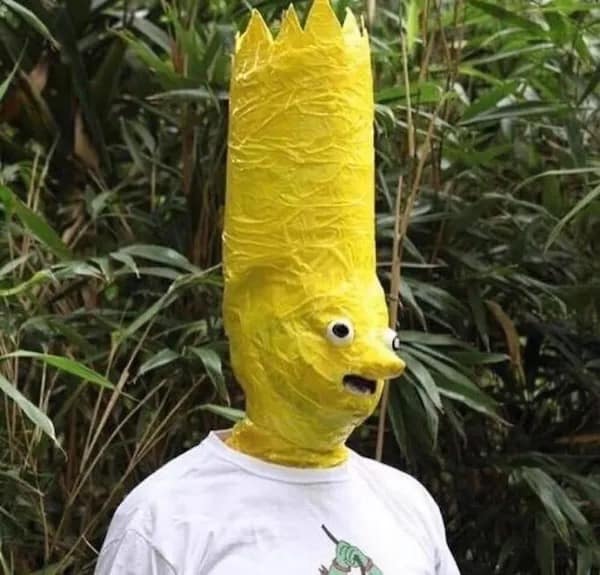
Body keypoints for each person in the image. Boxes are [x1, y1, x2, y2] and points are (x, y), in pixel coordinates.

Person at [95, 1, 460, 573]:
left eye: (385, 338)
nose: (385, 365)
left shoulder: (408, 507)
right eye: (339, 332)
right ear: (258, 324)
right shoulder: (166, 521)